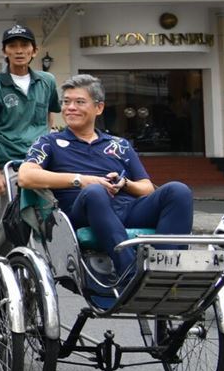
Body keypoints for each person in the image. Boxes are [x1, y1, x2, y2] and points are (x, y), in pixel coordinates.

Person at [15, 74, 193, 295]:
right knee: (95, 192)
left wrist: (125, 183)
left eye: (79, 102)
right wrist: (81, 180)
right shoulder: (49, 142)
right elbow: (25, 176)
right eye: (66, 102)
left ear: (99, 108)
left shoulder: (119, 145)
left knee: (178, 191)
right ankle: (130, 275)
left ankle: (165, 271)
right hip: (83, 211)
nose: (70, 107)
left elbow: (146, 188)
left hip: (127, 208)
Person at [0, 23, 61, 200]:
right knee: (11, 213)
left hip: (41, 160)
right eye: (12, 46)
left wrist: (46, 140)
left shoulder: (47, 80)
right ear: (4, 52)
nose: (19, 51)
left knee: (50, 210)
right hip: (9, 164)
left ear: (34, 51)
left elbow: (49, 114)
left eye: (25, 45)